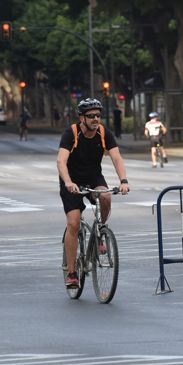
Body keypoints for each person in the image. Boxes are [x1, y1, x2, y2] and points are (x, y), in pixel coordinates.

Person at [57, 98, 130, 289]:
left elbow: (116, 158)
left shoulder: (104, 133)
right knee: (73, 223)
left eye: (98, 115)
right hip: (71, 180)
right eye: (91, 116)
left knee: (105, 196)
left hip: (93, 177)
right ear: (82, 118)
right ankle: (72, 273)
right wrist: (68, 182)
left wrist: (123, 181)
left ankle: (100, 233)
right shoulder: (71, 133)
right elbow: (61, 162)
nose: (95, 119)